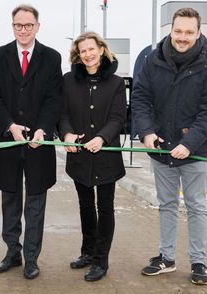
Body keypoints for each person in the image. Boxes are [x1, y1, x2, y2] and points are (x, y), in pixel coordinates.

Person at [0, 4, 62, 280]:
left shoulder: (52, 58)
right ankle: (11, 252)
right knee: (10, 200)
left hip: (39, 144)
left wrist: (43, 129)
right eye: (18, 25)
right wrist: (9, 125)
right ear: (12, 26)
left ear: (38, 26)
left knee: (35, 203)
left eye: (29, 25)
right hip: (8, 140)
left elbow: (55, 99)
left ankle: (31, 257)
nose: (23, 30)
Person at [132, 7, 207, 285]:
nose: (183, 37)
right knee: (167, 204)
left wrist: (190, 144)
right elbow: (140, 98)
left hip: (197, 151)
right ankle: (166, 257)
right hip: (161, 149)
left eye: (189, 32)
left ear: (198, 32)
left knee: (198, 206)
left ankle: (199, 262)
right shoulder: (154, 59)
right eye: (178, 31)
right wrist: (147, 132)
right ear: (170, 30)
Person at [58, 31, 126, 282]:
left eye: (91, 49)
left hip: (106, 155)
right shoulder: (68, 81)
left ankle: (101, 261)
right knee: (85, 205)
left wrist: (102, 138)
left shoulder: (116, 83)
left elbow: (119, 118)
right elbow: (62, 113)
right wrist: (65, 134)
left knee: (104, 207)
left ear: (101, 49)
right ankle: (87, 252)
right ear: (78, 54)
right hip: (79, 157)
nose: (87, 54)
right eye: (82, 51)